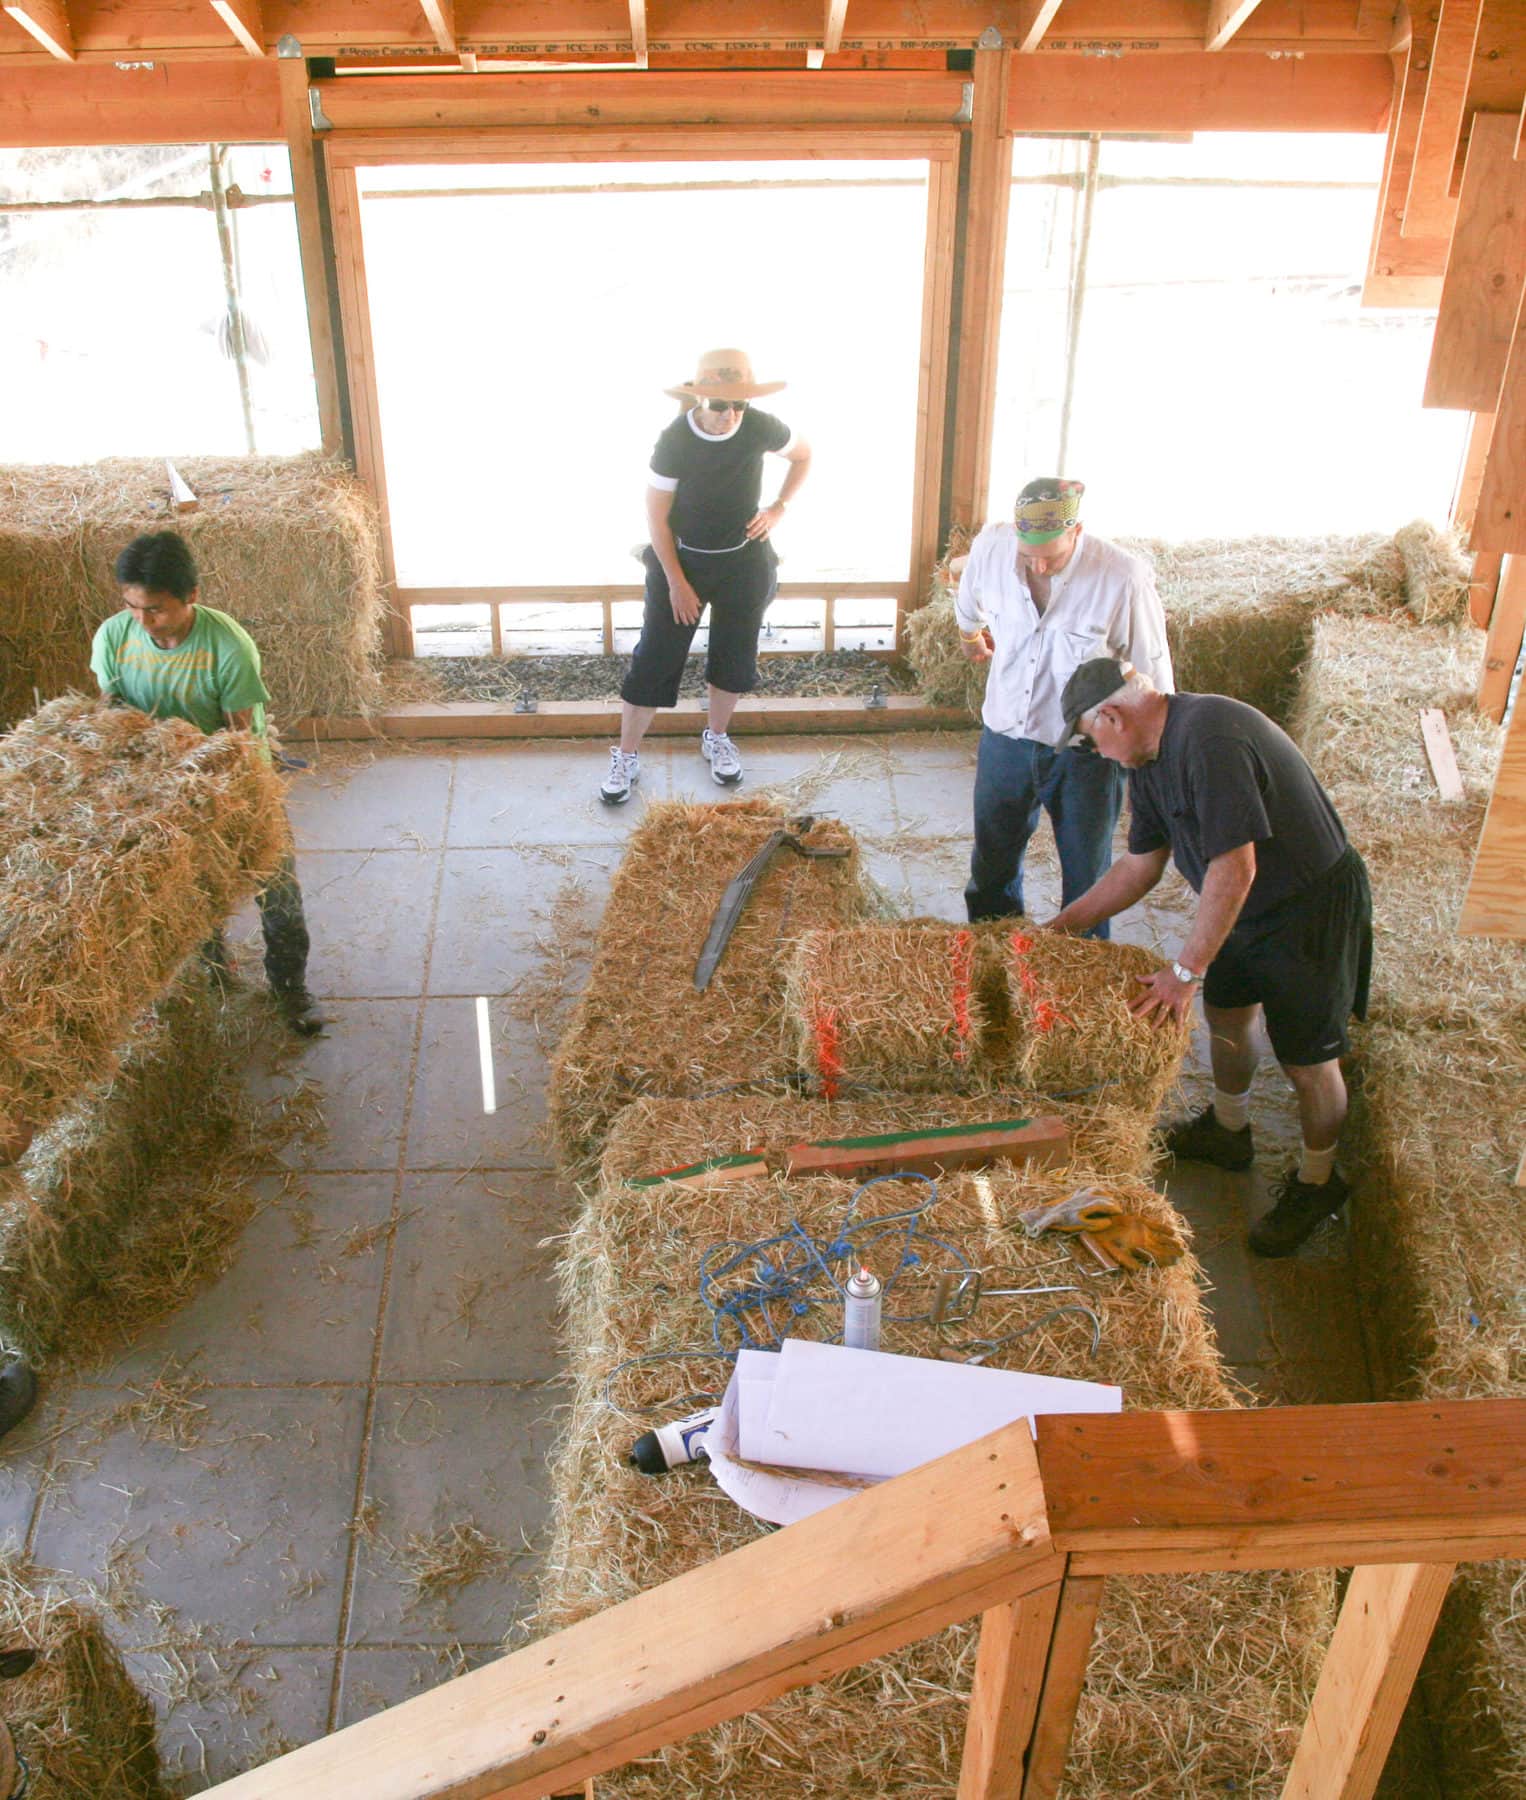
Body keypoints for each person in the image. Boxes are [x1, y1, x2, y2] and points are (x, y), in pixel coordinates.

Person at [1047, 658, 1373, 1258]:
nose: (1103, 756)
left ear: (1112, 716)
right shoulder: (1147, 759)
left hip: (1306, 906)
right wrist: (1063, 927)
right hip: (1241, 907)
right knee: (1228, 1015)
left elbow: (1236, 865)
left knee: (1306, 1059)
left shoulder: (1209, 739)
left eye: (1094, 742)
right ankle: (1229, 1130)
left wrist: (1184, 970)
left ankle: (1318, 1181)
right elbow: (1141, 863)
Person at [90, 531, 326, 1037]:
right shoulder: (114, 636)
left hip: (234, 783)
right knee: (189, 893)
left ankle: (290, 988)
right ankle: (214, 974)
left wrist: (205, 782)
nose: (142, 621)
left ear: (191, 595)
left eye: (154, 609)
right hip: (156, 787)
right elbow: (109, 716)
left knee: (277, 890)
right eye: (131, 606)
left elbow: (239, 739)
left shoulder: (228, 645)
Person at [955, 477, 1171, 936]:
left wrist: (1153, 769)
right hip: (1005, 737)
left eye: (1050, 555)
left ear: (1078, 531)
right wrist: (971, 637)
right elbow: (967, 604)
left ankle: (1079, 972)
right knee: (992, 860)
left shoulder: (1122, 578)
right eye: (1027, 552)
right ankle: (995, 951)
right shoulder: (991, 549)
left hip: (1085, 753)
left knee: (1087, 871)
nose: (1037, 564)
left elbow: (1155, 676)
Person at [599, 348, 812, 804]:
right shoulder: (675, 440)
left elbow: (804, 456)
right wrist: (676, 582)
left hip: (744, 560)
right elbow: (656, 520)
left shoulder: (759, 426)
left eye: (739, 404)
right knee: (656, 656)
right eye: (720, 405)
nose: (730, 414)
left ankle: (716, 737)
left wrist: (778, 508)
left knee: (735, 654)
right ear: (699, 401)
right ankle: (626, 754)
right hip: (683, 560)